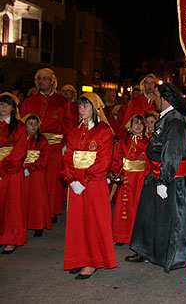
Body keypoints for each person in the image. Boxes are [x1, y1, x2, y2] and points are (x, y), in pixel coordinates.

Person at [127, 82, 186, 272]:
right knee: (149, 215)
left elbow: (172, 153)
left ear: (165, 99)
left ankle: (173, 256)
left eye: (156, 96)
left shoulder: (175, 122)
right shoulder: (166, 118)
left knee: (171, 219)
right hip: (156, 173)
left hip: (171, 177)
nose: (154, 99)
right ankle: (146, 250)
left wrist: (164, 180)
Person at [61, 92, 116, 279]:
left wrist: (83, 179)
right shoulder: (74, 131)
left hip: (93, 183)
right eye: (80, 106)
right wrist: (71, 178)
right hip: (76, 182)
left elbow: (103, 161)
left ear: (95, 108)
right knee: (77, 223)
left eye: (85, 106)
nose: (81, 109)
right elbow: (68, 156)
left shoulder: (104, 132)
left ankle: (93, 261)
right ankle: (78, 258)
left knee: (93, 222)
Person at [20, 68, 72, 222]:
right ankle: (35, 212)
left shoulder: (61, 101)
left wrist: (65, 143)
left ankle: (51, 211)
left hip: (55, 146)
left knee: (52, 180)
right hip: (34, 145)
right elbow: (22, 122)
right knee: (35, 179)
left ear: (52, 81)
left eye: (44, 78)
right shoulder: (30, 101)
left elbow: (67, 122)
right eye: (39, 79)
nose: (41, 81)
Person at [110, 114, 149, 245]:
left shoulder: (148, 142)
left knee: (138, 207)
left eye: (141, 123)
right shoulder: (123, 142)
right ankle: (122, 236)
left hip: (140, 179)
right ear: (130, 126)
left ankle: (137, 236)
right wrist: (116, 174)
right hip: (126, 178)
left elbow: (150, 162)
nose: (138, 126)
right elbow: (117, 160)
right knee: (124, 207)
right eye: (135, 123)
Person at [0, 93, 28, 254]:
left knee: (12, 205)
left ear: (12, 107)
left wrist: (5, 165)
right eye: (1, 104)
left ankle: (11, 238)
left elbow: (20, 150)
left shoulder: (19, 126)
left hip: (12, 170)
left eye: (6, 104)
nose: (3, 107)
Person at [23, 114, 51, 237]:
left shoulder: (42, 140)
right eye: (30, 124)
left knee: (37, 200)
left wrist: (31, 168)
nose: (33, 127)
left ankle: (38, 225)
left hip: (37, 174)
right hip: (21, 171)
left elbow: (43, 159)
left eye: (35, 124)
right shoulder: (20, 139)